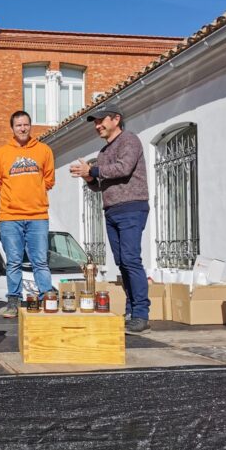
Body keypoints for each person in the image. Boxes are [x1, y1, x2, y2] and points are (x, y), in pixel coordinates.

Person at [70, 103, 151, 334]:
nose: (97, 126)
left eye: (100, 120)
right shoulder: (103, 152)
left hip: (131, 208)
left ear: (116, 119)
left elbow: (124, 168)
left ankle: (141, 314)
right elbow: (99, 186)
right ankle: (132, 309)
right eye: (95, 122)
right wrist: (87, 177)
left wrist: (93, 171)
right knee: (123, 262)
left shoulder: (129, 140)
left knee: (131, 259)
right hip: (112, 210)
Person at [0, 111, 55, 318]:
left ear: (30, 126)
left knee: (40, 261)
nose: (22, 128)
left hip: (38, 215)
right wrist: (12, 198)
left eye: (26, 124)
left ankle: (47, 296)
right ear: (12, 128)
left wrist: (33, 193)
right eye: (18, 125)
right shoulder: (2, 153)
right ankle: (13, 301)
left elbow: (49, 179)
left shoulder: (44, 150)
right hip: (10, 216)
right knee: (13, 261)